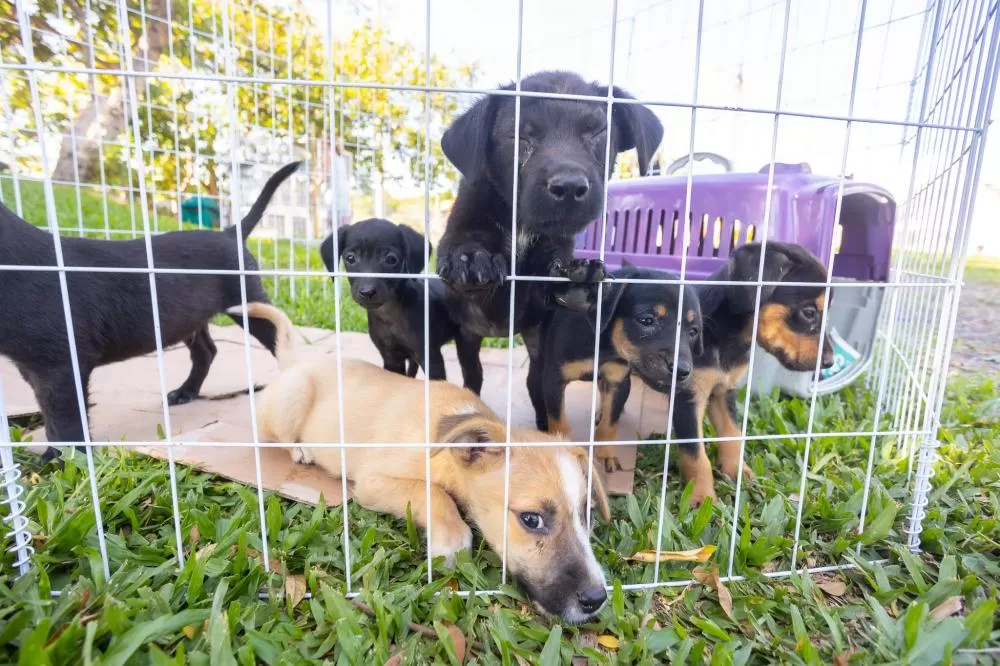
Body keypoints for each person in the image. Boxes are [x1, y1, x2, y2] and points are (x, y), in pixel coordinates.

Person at [323, 137, 351, 232]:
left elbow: (326, 173)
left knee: (336, 218)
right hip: (339, 192)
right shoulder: (339, 157)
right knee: (338, 218)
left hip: (337, 192)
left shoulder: (332, 156)